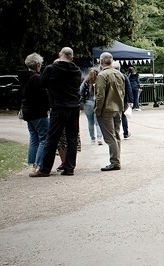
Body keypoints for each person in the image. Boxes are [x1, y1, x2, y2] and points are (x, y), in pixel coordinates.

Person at [30, 47, 82, 177]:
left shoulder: (51, 69)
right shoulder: (76, 70)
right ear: (72, 57)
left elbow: (41, 85)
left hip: (59, 107)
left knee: (52, 138)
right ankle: (69, 168)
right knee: (72, 138)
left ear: (60, 54)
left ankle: (45, 169)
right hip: (74, 107)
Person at [95, 52, 126, 172]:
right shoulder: (119, 74)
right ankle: (117, 160)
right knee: (117, 135)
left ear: (101, 61)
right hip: (118, 107)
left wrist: (98, 109)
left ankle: (115, 162)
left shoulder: (102, 75)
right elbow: (122, 91)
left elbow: (100, 95)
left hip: (106, 109)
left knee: (110, 137)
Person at [20, 53, 50, 170]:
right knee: (44, 138)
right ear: (37, 65)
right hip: (38, 111)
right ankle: (38, 164)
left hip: (28, 112)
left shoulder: (23, 78)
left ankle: (32, 162)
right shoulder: (36, 78)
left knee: (34, 138)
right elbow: (42, 96)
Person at [78, 68, 104, 146]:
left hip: (87, 103)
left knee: (90, 121)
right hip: (97, 102)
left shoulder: (86, 81)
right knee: (98, 122)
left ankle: (93, 138)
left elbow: (80, 90)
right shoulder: (100, 80)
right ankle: (99, 138)